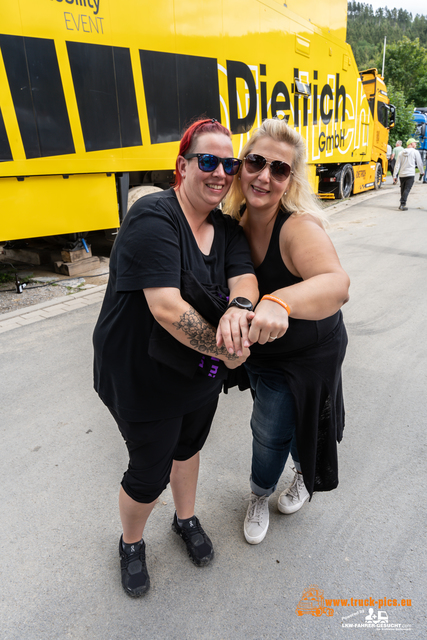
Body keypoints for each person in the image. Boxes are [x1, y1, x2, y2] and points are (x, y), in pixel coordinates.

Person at [93, 118, 258, 595]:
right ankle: (131, 542)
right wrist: (228, 352)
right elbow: (166, 308)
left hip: (195, 372)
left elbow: (243, 278)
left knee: (188, 447)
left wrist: (242, 306)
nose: (220, 172)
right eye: (208, 161)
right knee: (149, 471)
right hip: (139, 374)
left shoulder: (225, 229)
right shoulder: (155, 217)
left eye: (229, 163)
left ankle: (185, 519)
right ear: (182, 167)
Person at [223, 118, 350, 545]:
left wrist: (280, 301)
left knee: (276, 427)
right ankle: (274, 483)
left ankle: (264, 491)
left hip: (310, 350)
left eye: (279, 169)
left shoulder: (297, 227)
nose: (265, 176)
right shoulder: (234, 220)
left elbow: (337, 284)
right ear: (241, 165)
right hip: (264, 351)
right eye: (256, 162)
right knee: (278, 418)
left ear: (290, 180)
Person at [393, 138, 424, 210]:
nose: (416, 144)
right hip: (410, 174)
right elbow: (419, 163)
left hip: (402, 174)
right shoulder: (415, 152)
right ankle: (402, 203)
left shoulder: (401, 153)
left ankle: (402, 204)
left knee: (403, 189)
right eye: (415, 143)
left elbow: (397, 165)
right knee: (407, 189)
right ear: (411, 144)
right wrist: (422, 171)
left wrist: (395, 176)